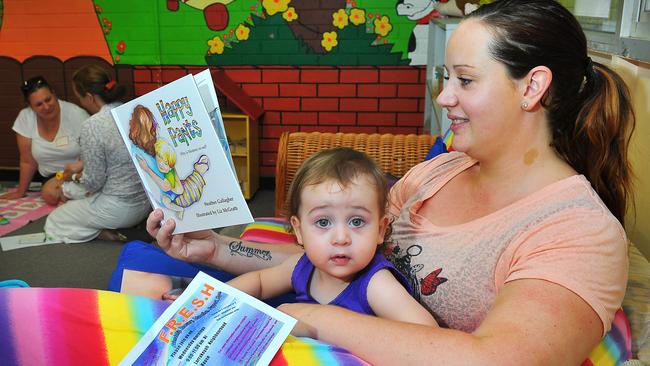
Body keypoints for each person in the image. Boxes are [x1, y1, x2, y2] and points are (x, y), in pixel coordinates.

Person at [143, 0, 634, 363]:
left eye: (464, 80)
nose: (444, 98)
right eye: (446, 78)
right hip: (325, 328)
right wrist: (218, 250)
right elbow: (340, 255)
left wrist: (312, 318)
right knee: (135, 270)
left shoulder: (576, 232)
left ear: (532, 87)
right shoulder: (438, 171)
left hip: (331, 335)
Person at [224, 148, 437, 326]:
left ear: (381, 230)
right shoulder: (303, 266)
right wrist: (216, 303)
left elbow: (428, 336)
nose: (341, 238)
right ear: (298, 231)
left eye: (357, 221)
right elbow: (260, 282)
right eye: (323, 222)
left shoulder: (376, 285)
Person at [44, 65, 151, 243]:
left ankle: (108, 234)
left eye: (79, 98)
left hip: (119, 207)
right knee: (76, 197)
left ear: (89, 97)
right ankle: (121, 227)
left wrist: (74, 176)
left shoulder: (93, 125)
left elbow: (94, 182)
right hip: (145, 202)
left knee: (55, 221)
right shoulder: (133, 110)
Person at [0, 76, 89, 204]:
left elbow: (91, 153)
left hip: (80, 173)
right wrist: (21, 191)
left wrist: (75, 175)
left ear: (54, 93)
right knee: (50, 193)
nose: (46, 107)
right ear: (30, 106)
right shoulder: (25, 117)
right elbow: (27, 161)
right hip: (51, 178)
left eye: (48, 99)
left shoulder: (77, 114)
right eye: (39, 104)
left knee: (57, 193)